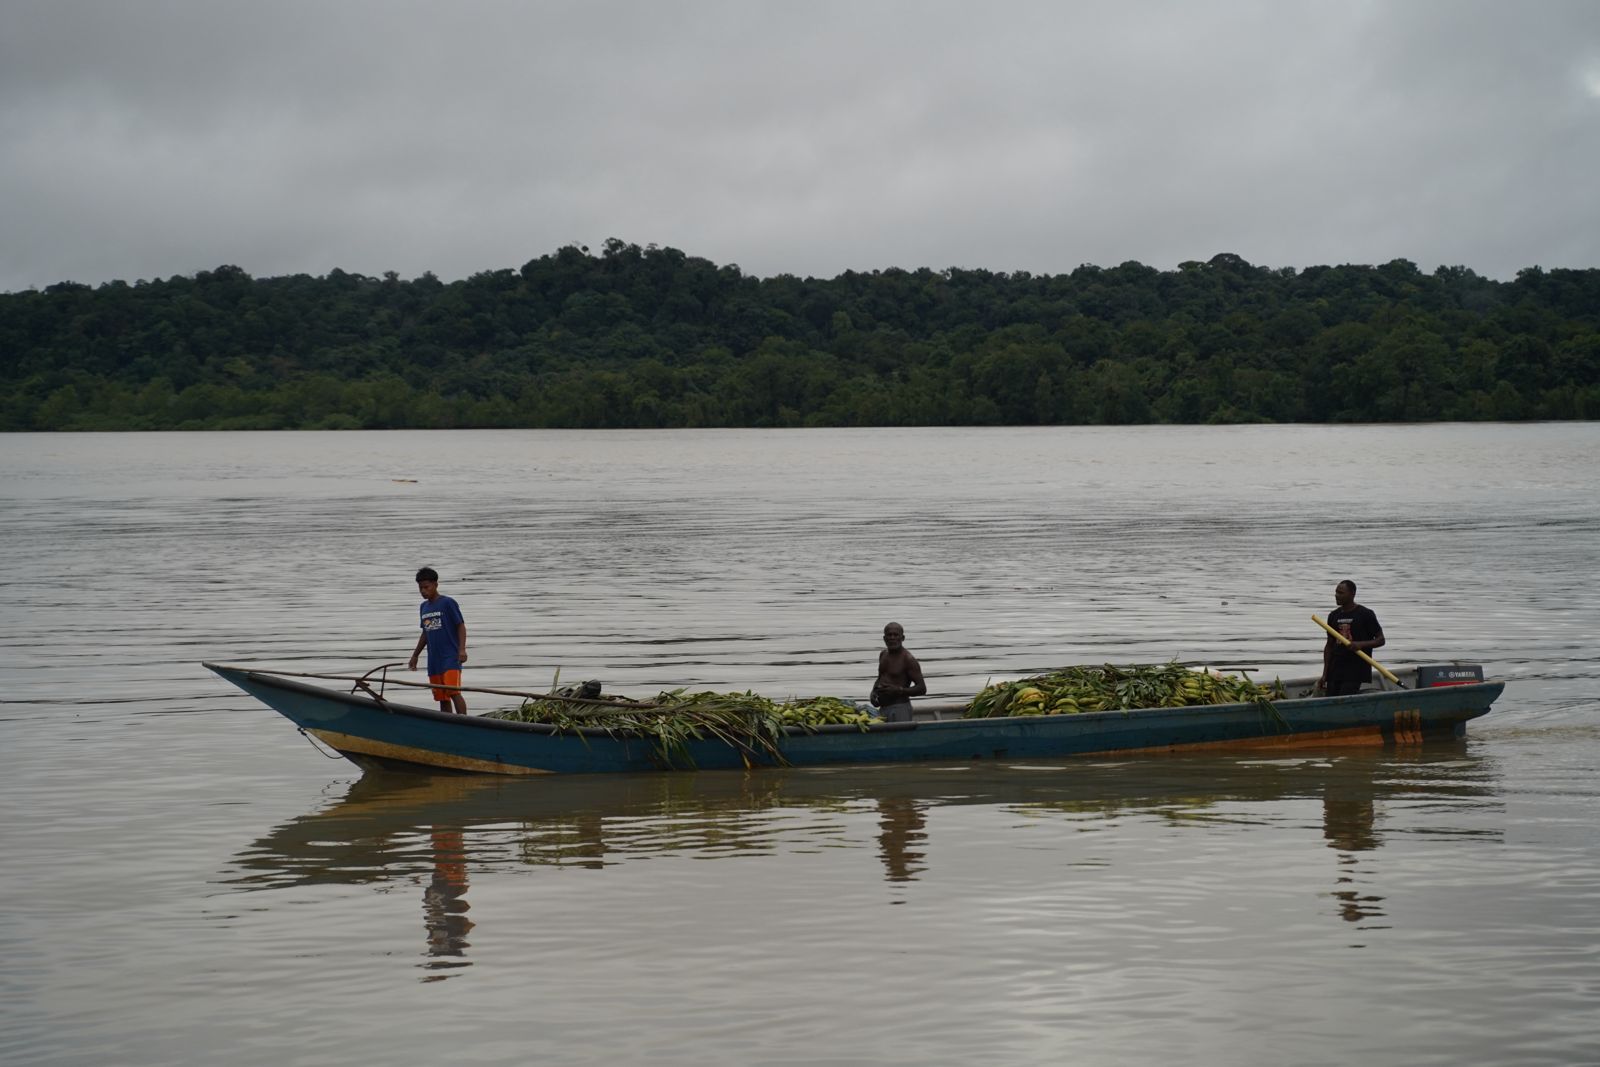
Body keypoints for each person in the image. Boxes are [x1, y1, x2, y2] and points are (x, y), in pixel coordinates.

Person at [409, 567, 468, 714]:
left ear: (436, 584)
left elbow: (460, 625)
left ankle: (466, 725)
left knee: (453, 692)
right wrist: (415, 655)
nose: (423, 591)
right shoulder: (423, 607)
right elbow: (425, 633)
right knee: (442, 697)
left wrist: (462, 649)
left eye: (426, 587)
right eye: (420, 588)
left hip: (450, 657)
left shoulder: (447, 603)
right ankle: (447, 728)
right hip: (434, 660)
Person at [1319, 579, 1384, 696]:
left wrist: (1360, 645)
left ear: (1352, 594)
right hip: (1336, 668)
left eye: (1341, 593)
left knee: (1345, 696)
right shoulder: (1333, 616)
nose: (1336, 595)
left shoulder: (1365, 614)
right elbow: (1329, 645)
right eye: (1336, 592)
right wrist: (1325, 674)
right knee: (1330, 698)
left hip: (1356, 669)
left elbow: (1381, 640)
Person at [871, 621, 927, 723]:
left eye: (896, 635)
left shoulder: (908, 660)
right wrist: (873, 692)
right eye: (889, 635)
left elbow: (922, 688)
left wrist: (899, 690)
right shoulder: (883, 654)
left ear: (902, 638)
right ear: (884, 638)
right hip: (883, 709)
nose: (892, 638)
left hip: (900, 709)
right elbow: (880, 678)